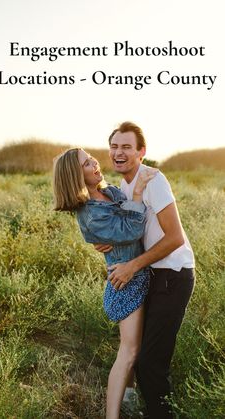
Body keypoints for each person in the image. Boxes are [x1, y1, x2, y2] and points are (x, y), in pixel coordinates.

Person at [95, 122, 195, 419]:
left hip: (173, 276)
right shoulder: (126, 186)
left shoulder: (153, 180)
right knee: (139, 355)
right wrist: (107, 242)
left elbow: (174, 237)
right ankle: (143, 408)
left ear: (141, 151)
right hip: (151, 275)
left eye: (126, 147)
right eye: (114, 146)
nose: (118, 152)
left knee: (151, 362)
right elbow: (134, 229)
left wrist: (132, 266)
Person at [52, 147, 157, 419]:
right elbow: (134, 228)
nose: (95, 163)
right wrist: (135, 198)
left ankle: (130, 401)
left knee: (141, 346)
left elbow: (129, 227)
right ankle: (112, 415)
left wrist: (126, 219)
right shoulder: (89, 212)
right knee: (129, 350)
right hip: (126, 279)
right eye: (87, 163)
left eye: (91, 158)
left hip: (140, 269)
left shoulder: (108, 191)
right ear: (76, 176)